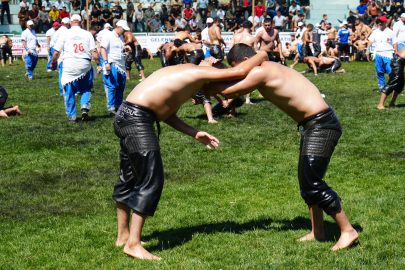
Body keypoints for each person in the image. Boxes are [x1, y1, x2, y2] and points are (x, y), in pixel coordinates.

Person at [111, 48, 267, 262]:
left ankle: (124, 236)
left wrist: (195, 133)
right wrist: (264, 54)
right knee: (151, 179)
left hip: (127, 116)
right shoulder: (197, 72)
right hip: (138, 119)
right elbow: (240, 72)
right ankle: (133, 244)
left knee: (128, 177)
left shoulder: (183, 75)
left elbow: (164, 113)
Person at [205, 43, 359, 252]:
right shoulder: (268, 67)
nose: (236, 73)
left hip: (322, 125)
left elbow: (225, 89)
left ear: (244, 61)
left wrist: (204, 72)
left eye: (235, 68)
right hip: (314, 124)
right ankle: (318, 232)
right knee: (307, 183)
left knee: (313, 182)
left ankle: (348, 230)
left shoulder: (261, 71)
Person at [52, 14, 101, 122]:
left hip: (69, 64)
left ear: (70, 23)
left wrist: (53, 62)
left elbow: (56, 52)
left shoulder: (65, 33)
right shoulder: (87, 34)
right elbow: (94, 51)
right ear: (81, 22)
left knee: (69, 90)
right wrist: (99, 64)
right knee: (86, 88)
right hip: (84, 64)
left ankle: (72, 116)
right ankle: (84, 107)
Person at [101, 20, 130, 115]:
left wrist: (124, 49)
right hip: (112, 63)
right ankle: (111, 107)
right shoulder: (108, 36)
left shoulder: (120, 37)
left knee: (121, 86)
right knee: (112, 86)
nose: (124, 31)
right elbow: (102, 48)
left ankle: (118, 106)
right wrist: (106, 62)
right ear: (118, 27)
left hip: (121, 64)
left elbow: (118, 48)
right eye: (123, 29)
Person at [229, 20, 258, 104]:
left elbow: (230, 48)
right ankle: (247, 99)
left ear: (242, 27)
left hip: (235, 58)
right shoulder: (252, 38)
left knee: (234, 78)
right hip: (246, 59)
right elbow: (256, 52)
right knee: (249, 78)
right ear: (251, 28)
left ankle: (233, 95)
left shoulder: (236, 36)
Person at [368, 16, 394, 91]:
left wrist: (396, 52)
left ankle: (391, 85)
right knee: (379, 71)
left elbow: (395, 43)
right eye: (379, 21)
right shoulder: (375, 32)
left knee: (390, 70)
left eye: (381, 22)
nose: (380, 23)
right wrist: (368, 49)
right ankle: (382, 86)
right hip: (378, 54)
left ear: (385, 23)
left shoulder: (390, 32)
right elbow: (370, 41)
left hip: (388, 54)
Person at [53, 17, 70, 95]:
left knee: (61, 73)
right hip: (67, 55)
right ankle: (70, 90)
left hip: (59, 55)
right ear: (68, 24)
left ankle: (61, 90)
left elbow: (54, 45)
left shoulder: (56, 32)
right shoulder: (68, 32)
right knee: (69, 74)